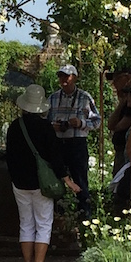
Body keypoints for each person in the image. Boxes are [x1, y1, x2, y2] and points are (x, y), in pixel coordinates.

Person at [5, 84, 77, 262]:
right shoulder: (45, 127)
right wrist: (67, 180)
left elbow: (9, 156)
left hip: (19, 182)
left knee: (26, 223)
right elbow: (55, 157)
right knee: (44, 223)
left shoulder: (14, 126)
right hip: (41, 184)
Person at [47, 62, 101, 220]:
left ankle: (84, 217)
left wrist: (81, 123)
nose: (64, 79)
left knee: (80, 180)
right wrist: (53, 127)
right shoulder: (53, 98)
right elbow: (44, 121)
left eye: (67, 76)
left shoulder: (85, 98)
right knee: (57, 180)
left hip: (77, 143)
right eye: (61, 76)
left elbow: (97, 121)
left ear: (74, 78)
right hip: (58, 144)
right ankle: (58, 217)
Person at [106, 66, 131, 214]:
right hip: (120, 148)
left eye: (117, 80)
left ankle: (123, 213)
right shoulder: (125, 99)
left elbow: (118, 125)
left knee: (123, 184)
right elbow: (110, 124)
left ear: (127, 78)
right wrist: (121, 103)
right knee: (117, 181)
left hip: (129, 150)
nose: (114, 84)